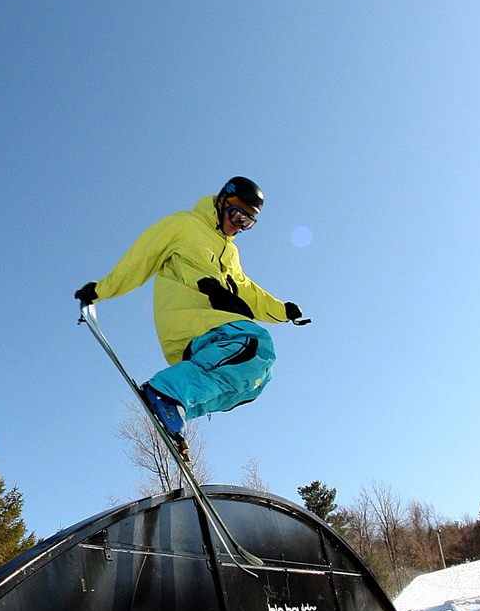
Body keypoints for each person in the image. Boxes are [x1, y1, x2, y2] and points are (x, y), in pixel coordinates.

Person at [75, 177, 307, 455]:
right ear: (223, 201)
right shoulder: (185, 225)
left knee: (257, 379)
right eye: (235, 214)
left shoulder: (230, 252)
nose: (237, 225)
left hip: (213, 332)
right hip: (188, 321)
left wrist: (283, 311)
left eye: (246, 222)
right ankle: (167, 390)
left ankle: (176, 405)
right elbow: (142, 257)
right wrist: (100, 290)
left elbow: (246, 289)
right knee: (256, 343)